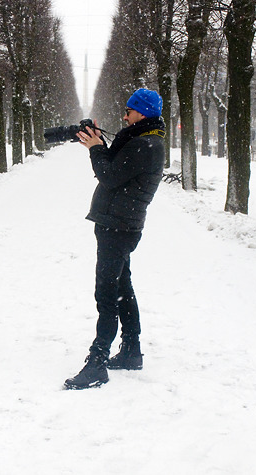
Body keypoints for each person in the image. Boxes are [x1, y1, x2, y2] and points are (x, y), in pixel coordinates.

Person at [64, 88, 166, 390]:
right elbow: (117, 169)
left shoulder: (145, 145)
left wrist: (96, 149)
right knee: (122, 288)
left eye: (129, 111)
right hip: (120, 225)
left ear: (143, 113)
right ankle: (131, 352)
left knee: (106, 295)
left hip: (118, 228)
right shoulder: (142, 141)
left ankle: (97, 363)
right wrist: (97, 142)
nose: (124, 116)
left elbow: (108, 175)